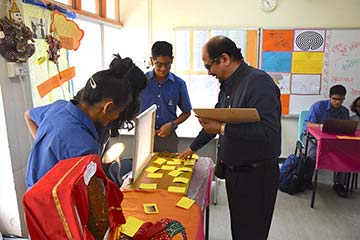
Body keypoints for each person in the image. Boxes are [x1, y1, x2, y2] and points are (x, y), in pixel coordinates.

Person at [179, 36, 281, 240]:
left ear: (224, 58)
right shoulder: (228, 85)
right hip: (236, 173)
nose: (209, 72)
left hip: (256, 177)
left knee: (251, 233)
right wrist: (192, 148)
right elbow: (215, 122)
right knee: (240, 230)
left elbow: (269, 131)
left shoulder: (258, 82)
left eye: (209, 66)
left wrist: (223, 128)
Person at [24, 56, 147, 188]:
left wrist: (52, 146)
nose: (117, 116)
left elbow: (28, 115)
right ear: (108, 107)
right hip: (53, 200)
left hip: (35, 193)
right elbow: (91, 196)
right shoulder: (86, 147)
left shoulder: (58, 107)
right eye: (118, 111)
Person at [140, 41, 192, 152]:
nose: (163, 69)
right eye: (159, 64)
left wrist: (172, 124)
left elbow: (187, 112)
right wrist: (141, 124)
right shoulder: (141, 82)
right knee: (143, 169)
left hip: (168, 139)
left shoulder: (179, 84)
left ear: (172, 60)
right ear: (152, 60)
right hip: (143, 137)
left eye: (167, 64)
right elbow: (130, 109)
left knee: (170, 169)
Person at [303, 84, 350, 197]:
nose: (338, 102)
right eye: (335, 99)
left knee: (345, 155)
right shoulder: (318, 106)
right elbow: (308, 125)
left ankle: (339, 184)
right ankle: (306, 180)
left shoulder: (344, 112)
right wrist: (320, 126)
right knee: (313, 155)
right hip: (312, 138)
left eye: (341, 99)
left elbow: (346, 128)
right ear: (329, 97)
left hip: (333, 140)